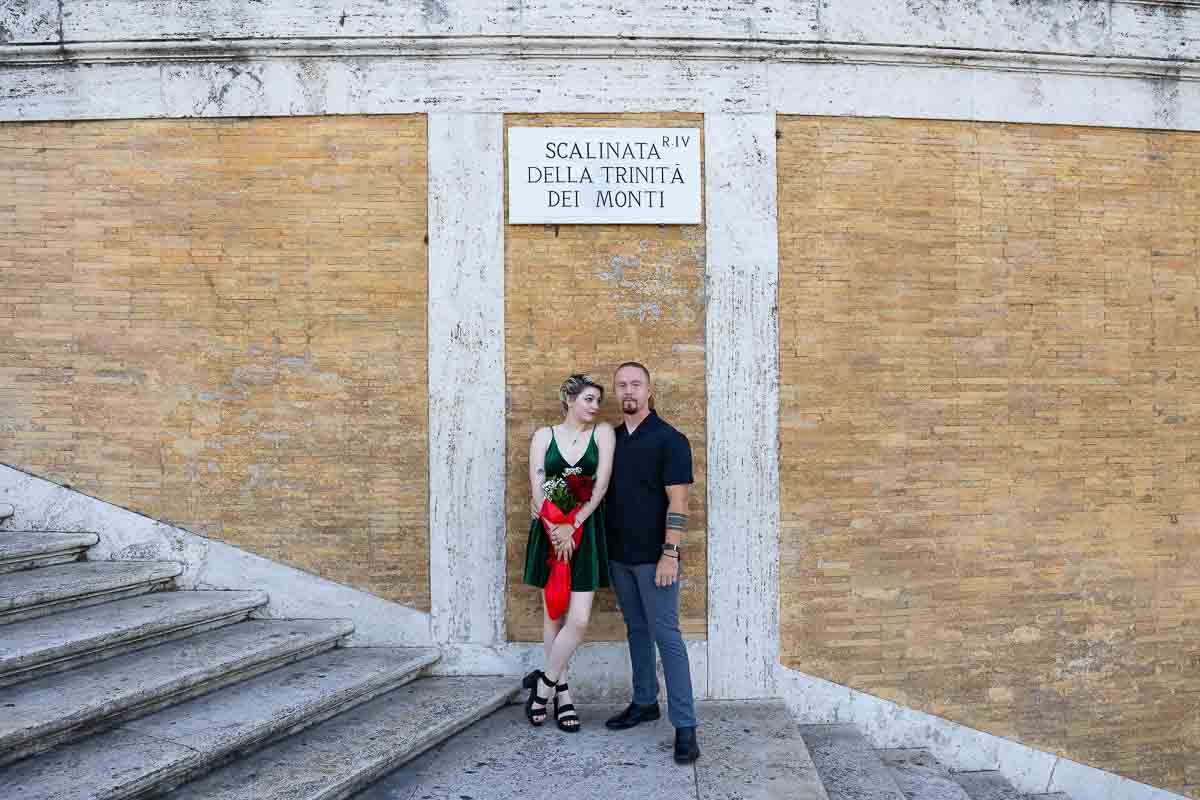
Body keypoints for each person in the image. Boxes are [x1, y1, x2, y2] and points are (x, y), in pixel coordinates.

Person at [604, 361, 700, 764]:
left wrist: (670, 552)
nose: (629, 391)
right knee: (636, 630)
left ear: (649, 388)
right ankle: (645, 702)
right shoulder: (609, 440)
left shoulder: (670, 439)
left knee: (668, 636)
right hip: (618, 556)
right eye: (622, 385)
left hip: (655, 558)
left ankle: (686, 727)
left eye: (636, 384)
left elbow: (679, 501)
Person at [521, 374, 615, 732]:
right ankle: (564, 695)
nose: (594, 406)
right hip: (549, 532)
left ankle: (542, 685)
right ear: (570, 399)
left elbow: (601, 485)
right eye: (589, 399)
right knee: (554, 616)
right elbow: (539, 486)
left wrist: (572, 526)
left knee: (578, 620)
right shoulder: (544, 436)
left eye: (597, 401)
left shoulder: (603, 434)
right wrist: (554, 529)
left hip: (585, 533)